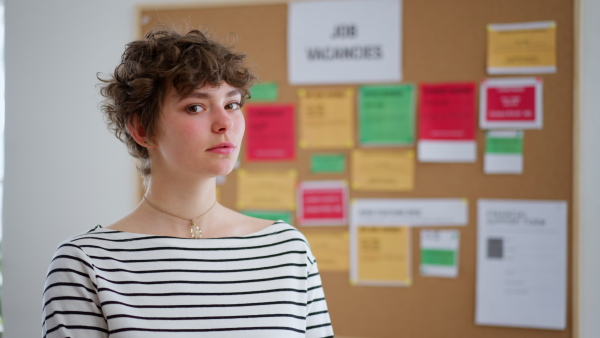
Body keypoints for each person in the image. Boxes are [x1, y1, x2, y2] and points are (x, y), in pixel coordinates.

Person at [42, 25, 333, 338]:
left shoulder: (287, 249)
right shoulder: (86, 263)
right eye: (196, 107)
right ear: (142, 130)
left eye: (232, 104)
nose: (225, 124)